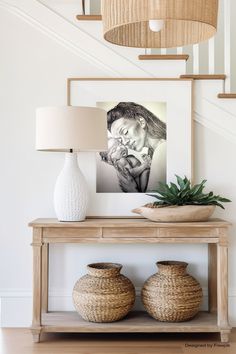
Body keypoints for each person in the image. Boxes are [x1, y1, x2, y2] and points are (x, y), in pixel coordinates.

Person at [106, 102, 167, 191]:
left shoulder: (161, 150)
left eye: (125, 132)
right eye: (119, 140)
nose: (124, 142)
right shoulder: (154, 153)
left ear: (141, 121)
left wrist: (132, 190)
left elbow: (154, 202)